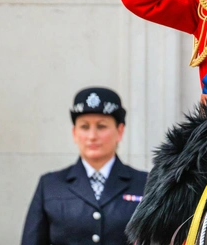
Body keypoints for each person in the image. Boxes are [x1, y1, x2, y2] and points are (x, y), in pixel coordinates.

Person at [21, 87, 148, 245]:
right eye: (84, 127)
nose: (92, 136)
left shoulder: (144, 184)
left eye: (101, 126)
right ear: (74, 133)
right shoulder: (50, 185)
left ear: (120, 131)